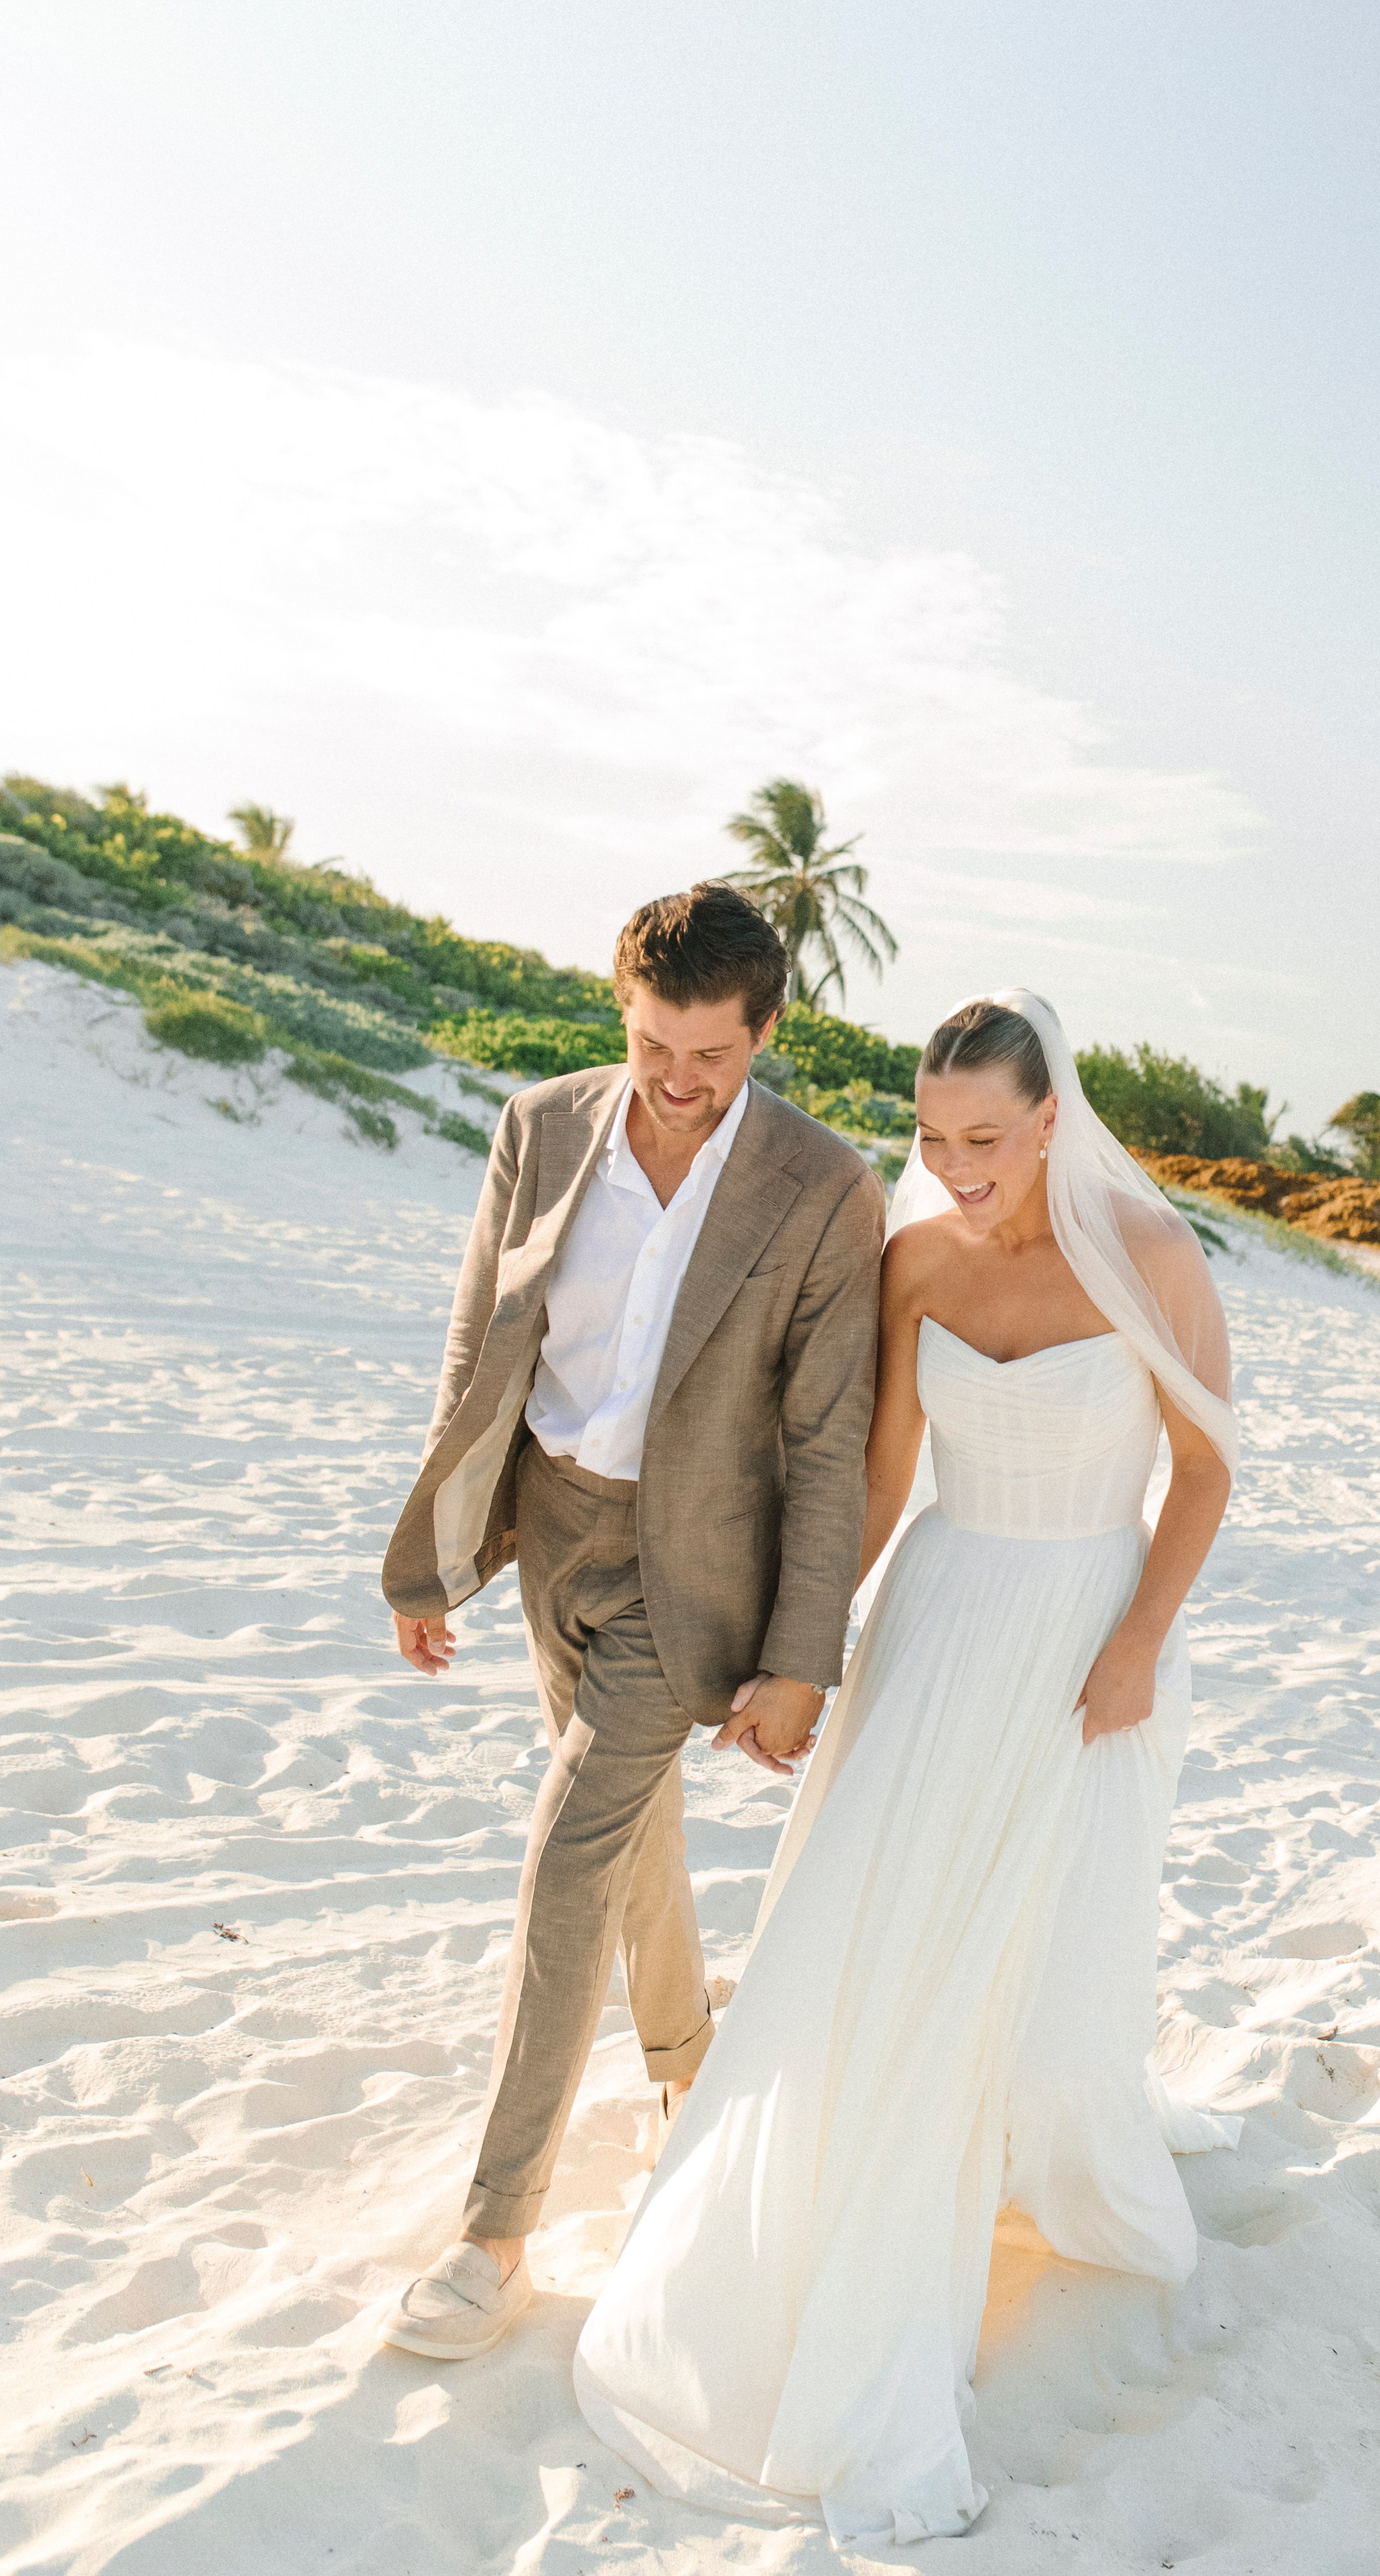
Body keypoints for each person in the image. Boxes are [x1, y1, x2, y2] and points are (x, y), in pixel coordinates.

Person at [573, 988, 1240, 2544]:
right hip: (937, 1623)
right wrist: (798, 1653)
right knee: (873, 1934)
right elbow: (880, 1479)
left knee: (1053, 1957)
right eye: (934, 1137)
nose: (955, 1166)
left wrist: (1140, 1639)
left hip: (1087, 1629)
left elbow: (1206, 1468)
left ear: (1052, 1121)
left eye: (985, 1138)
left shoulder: (1151, 1257)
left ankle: (1028, 2148)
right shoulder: (917, 1259)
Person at [376, 882, 886, 2361]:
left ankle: (495, 2234)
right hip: (551, 1529)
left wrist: (799, 1657)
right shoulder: (541, 1127)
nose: (675, 1077)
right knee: (628, 1830)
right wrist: (437, 1554)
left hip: (695, 1571)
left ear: (764, 1032)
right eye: (653, 1042)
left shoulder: (824, 1189)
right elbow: (480, 1342)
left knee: (567, 1856)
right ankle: (688, 2067)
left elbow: (828, 1441)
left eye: (709, 1055)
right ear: (624, 1007)